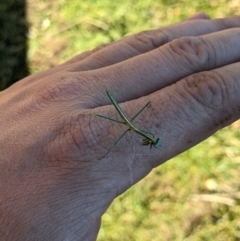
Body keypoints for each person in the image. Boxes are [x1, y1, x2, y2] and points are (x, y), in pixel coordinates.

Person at [0, 12, 240, 241]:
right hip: (120, 114)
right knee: (109, 127)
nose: (154, 142)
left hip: (125, 118)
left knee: (118, 126)